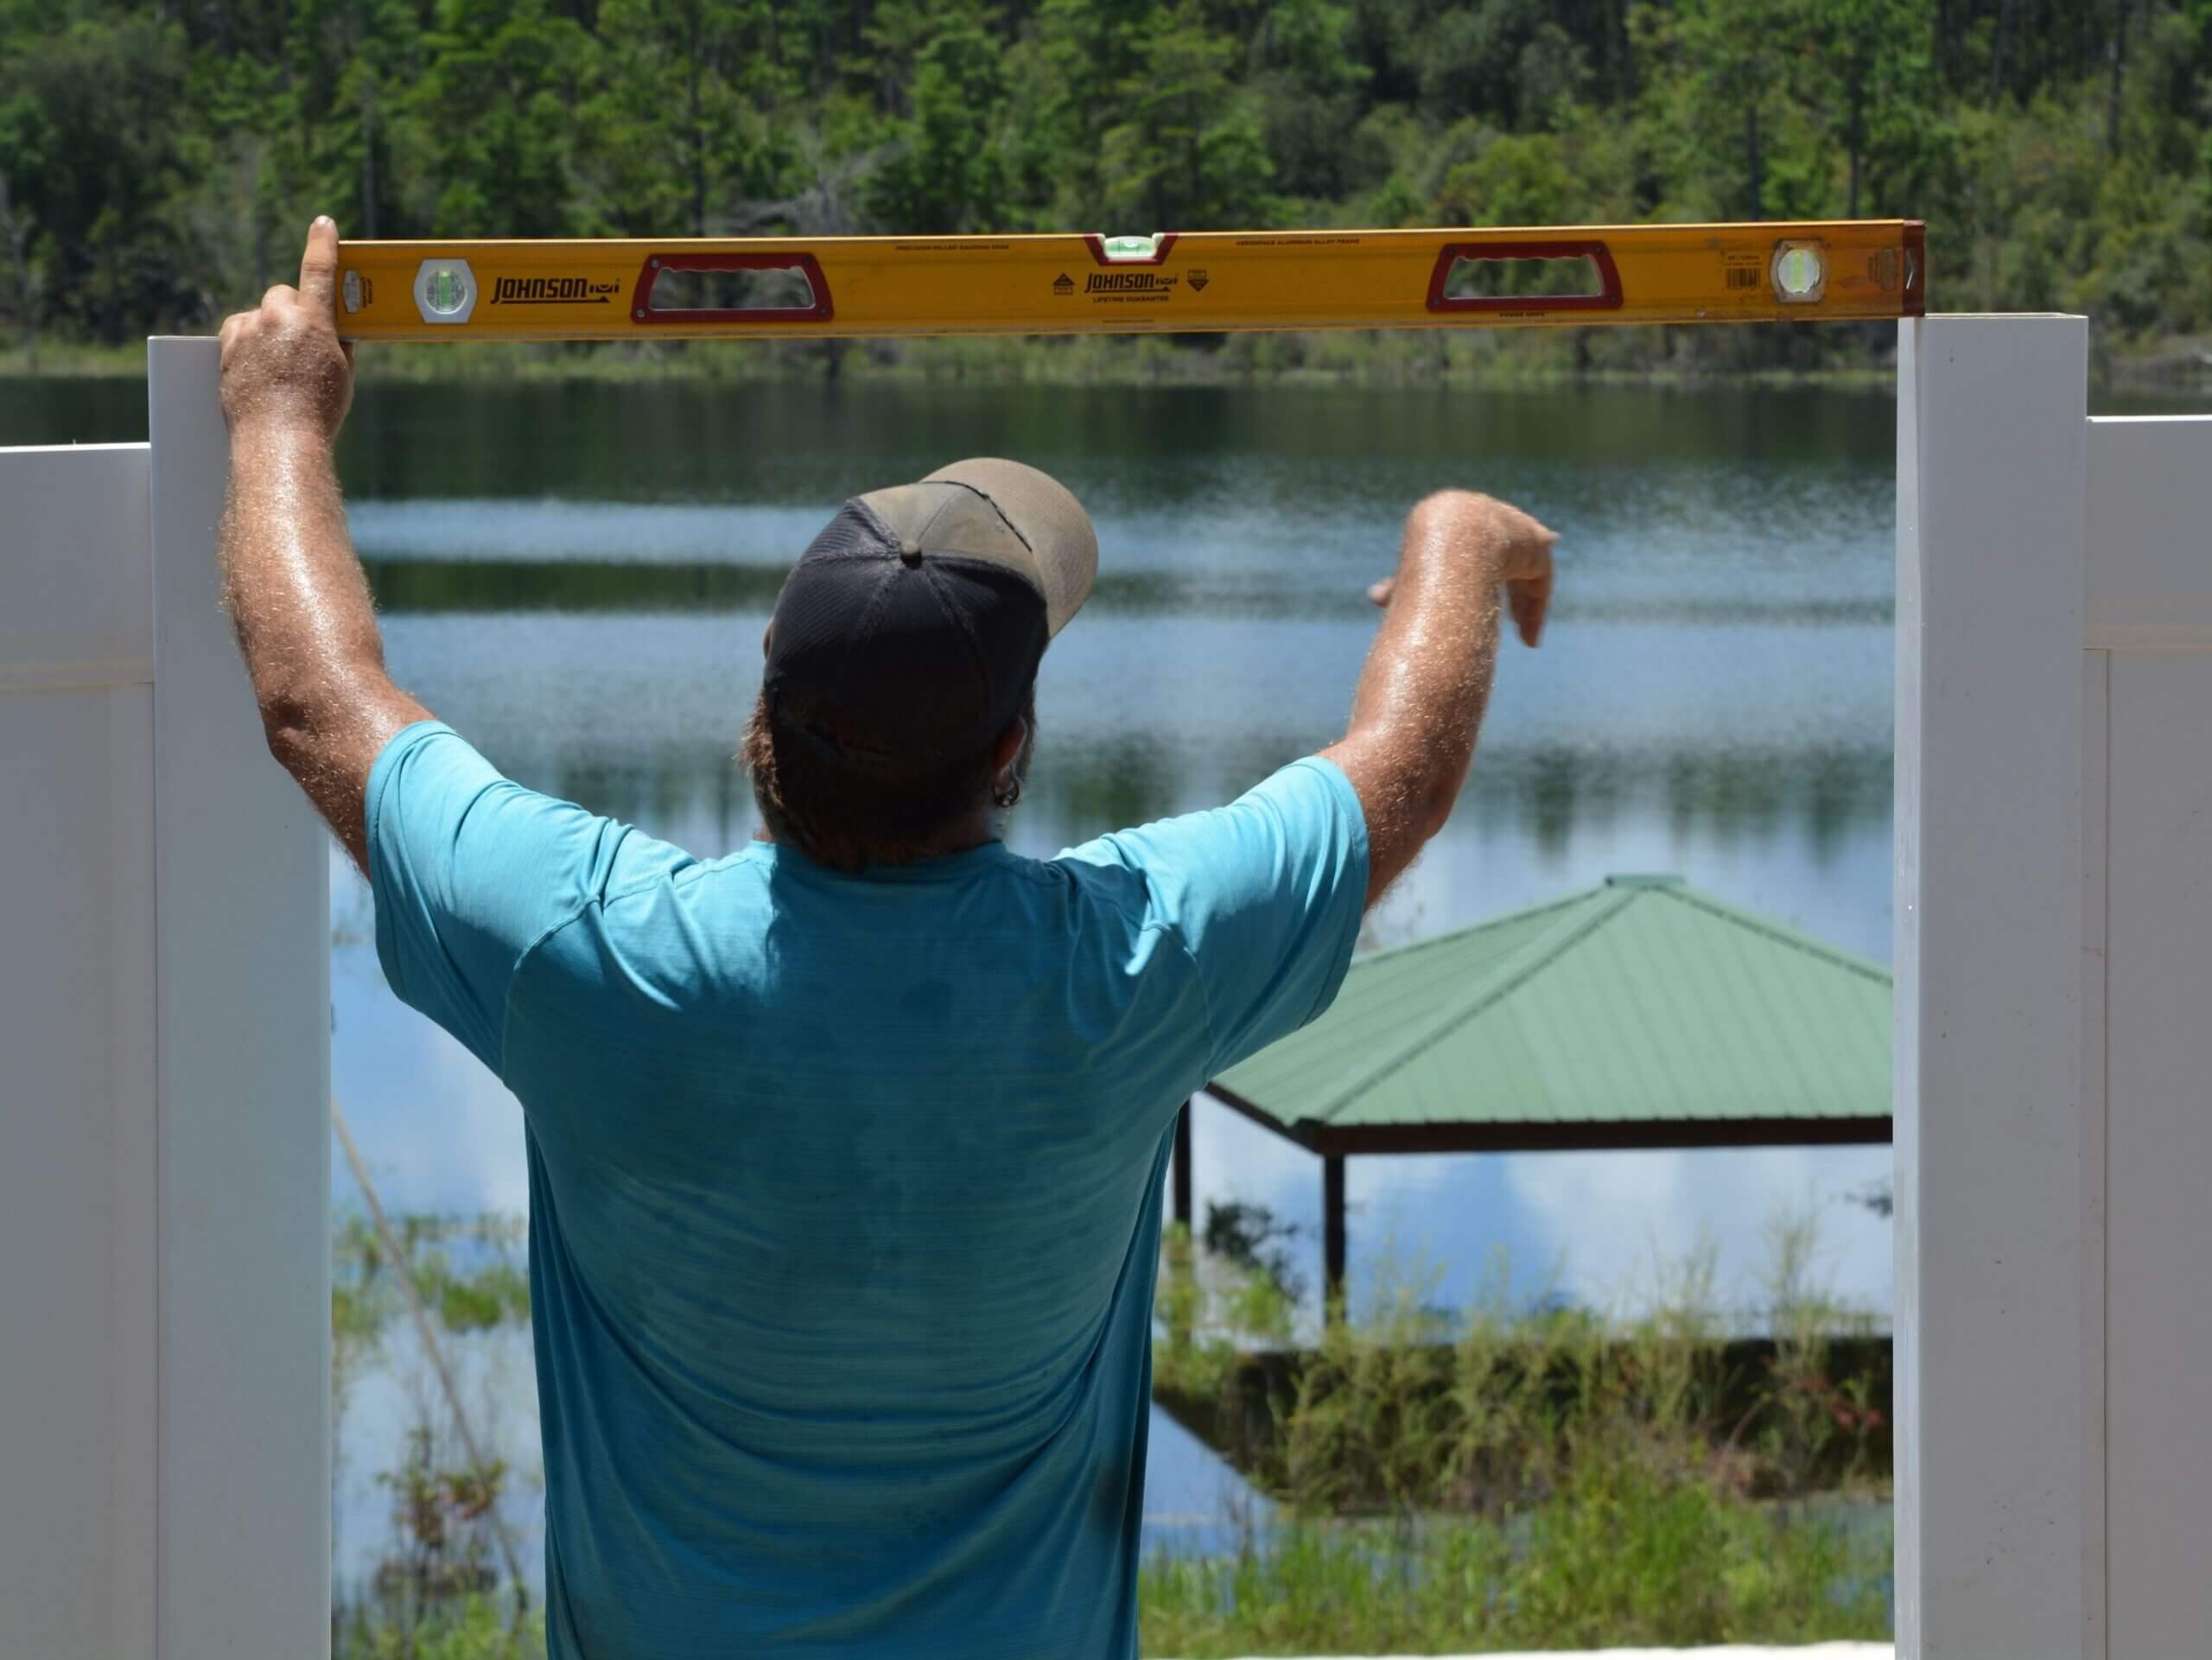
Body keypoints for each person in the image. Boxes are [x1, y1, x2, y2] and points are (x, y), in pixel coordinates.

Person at [217, 219, 1557, 1659]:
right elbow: (1404, 765)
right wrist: (1461, 537)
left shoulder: (593, 950)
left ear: (763, 712)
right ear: (1012, 749)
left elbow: (319, 702)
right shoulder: (1124, 970)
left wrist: (279, 418)